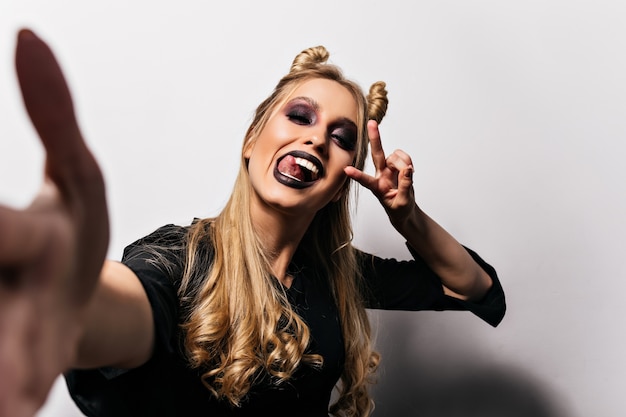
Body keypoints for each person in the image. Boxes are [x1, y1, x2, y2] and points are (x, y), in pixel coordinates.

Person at [0, 29, 505, 417]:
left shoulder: (335, 272)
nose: (315, 140)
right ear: (251, 141)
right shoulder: (182, 257)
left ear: (341, 183)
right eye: (300, 117)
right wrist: (70, 298)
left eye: (341, 136)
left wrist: (408, 217)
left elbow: (474, 287)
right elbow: (131, 305)